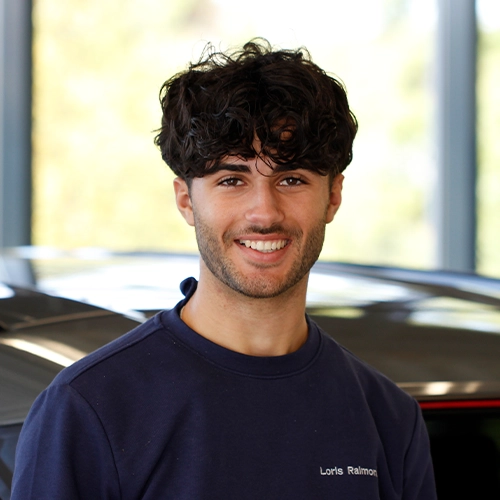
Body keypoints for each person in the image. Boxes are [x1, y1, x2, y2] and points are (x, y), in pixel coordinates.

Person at [12, 39, 436, 499]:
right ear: (185, 200)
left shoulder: (389, 420)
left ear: (333, 197)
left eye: (292, 179)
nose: (264, 212)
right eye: (232, 180)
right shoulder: (88, 409)